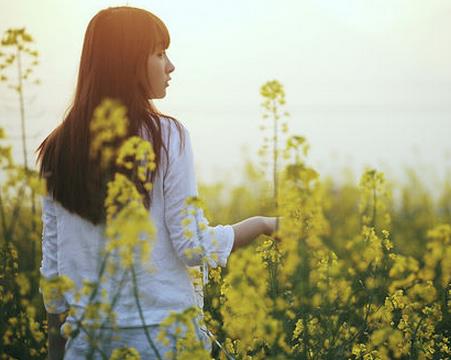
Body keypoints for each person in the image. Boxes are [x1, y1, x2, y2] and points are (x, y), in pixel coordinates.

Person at [36, 6, 279, 360]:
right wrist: (261, 224)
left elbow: (54, 274)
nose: (170, 66)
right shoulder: (168, 136)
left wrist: (58, 349)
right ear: (128, 61)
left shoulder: (58, 148)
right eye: (159, 53)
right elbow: (192, 245)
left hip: (89, 346)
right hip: (165, 343)